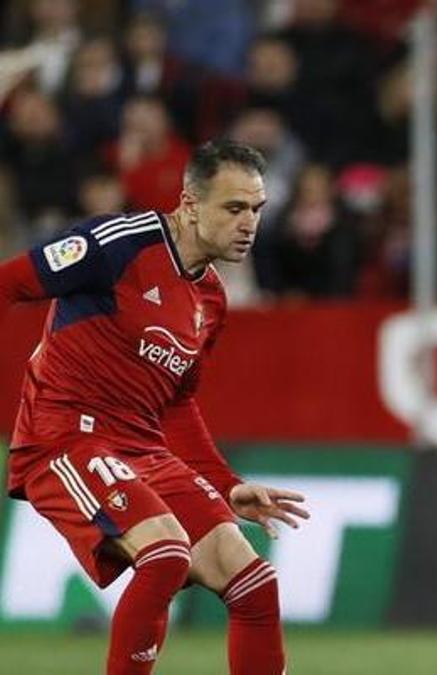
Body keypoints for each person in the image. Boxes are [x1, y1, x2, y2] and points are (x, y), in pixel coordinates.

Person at [0, 139, 309, 675]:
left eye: (256, 210)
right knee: (166, 555)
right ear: (190, 204)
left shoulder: (210, 298)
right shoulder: (116, 245)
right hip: (65, 438)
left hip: (142, 450)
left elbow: (177, 404)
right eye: (233, 208)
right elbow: (7, 285)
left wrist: (223, 481)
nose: (248, 224)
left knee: (255, 583)